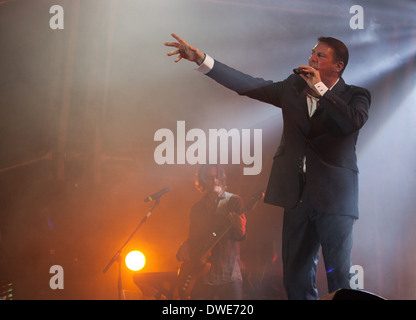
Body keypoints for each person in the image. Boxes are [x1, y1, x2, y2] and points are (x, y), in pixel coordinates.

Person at [165, 34, 371, 300]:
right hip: (296, 197)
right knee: (296, 276)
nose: (312, 58)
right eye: (312, 53)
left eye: (321, 55)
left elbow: (350, 122)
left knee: (339, 274)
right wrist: (203, 60)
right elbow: (248, 85)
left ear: (338, 66)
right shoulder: (293, 88)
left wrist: (320, 88)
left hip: (335, 197)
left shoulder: (356, 95)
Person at [176, 164, 247, 300]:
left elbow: (238, 236)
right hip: (202, 275)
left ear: (221, 179)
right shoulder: (197, 208)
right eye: (209, 178)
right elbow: (193, 238)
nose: (214, 181)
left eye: (217, 177)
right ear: (202, 180)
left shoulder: (233, 201)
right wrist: (185, 245)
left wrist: (241, 229)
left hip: (228, 273)